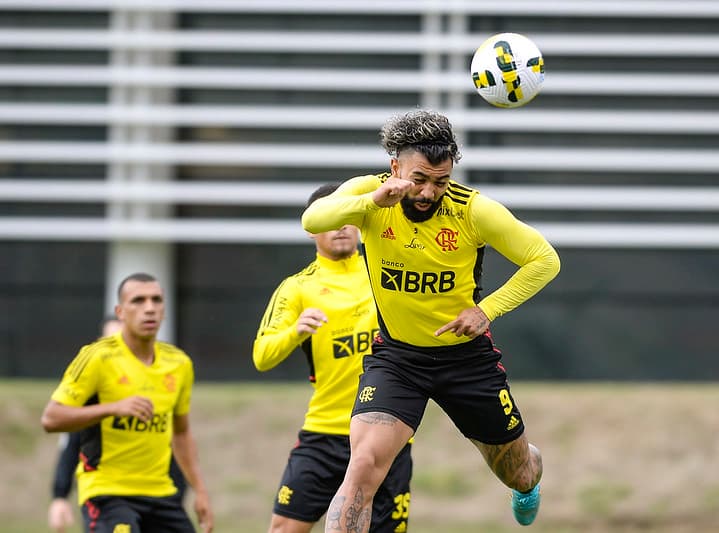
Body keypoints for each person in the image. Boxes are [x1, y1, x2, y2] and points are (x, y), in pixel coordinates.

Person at [301, 109, 560, 530]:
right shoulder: (369, 194)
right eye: (418, 179)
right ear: (394, 167)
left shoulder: (472, 210)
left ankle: (528, 481)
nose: (427, 192)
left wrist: (486, 310)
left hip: (466, 361)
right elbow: (312, 220)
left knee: (518, 470)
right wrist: (371, 202)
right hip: (398, 360)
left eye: (440, 182)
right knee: (363, 467)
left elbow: (544, 260)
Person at [253, 183, 413, 533]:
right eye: (331, 218)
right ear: (312, 228)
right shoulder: (297, 288)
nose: (341, 226)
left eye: (347, 217)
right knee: (283, 528)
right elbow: (262, 356)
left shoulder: (384, 272)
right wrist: (295, 331)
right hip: (325, 434)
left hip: (385, 433)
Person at [41, 272, 214, 533]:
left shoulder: (179, 364)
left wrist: (201, 492)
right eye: (138, 301)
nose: (149, 309)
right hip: (108, 493)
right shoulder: (97, 357)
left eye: (156, 300)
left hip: (161, 493)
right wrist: (113, 408)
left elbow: (181, 433)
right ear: (120, 311)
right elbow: (51, 418)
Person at [47, 316, 189, 533]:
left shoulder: (159, 384)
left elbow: (175, 444)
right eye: (110, 339)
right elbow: (71, 442)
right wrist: (60, 496)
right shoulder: (92, 388)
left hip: (156, 497)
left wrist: (176, 498)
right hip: (109, 497)